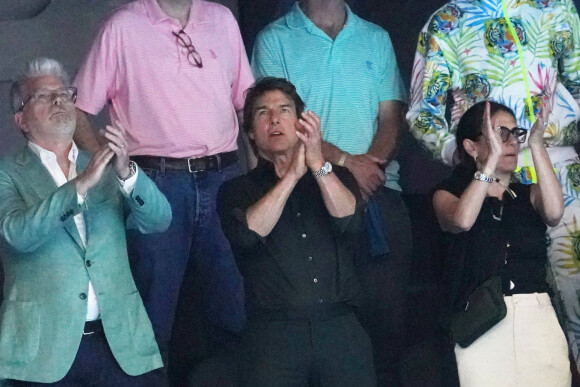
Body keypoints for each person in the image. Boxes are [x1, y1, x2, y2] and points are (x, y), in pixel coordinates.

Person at [72, 0, 254, 374]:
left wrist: (257, 176)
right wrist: (109, 168)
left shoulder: (220, 18)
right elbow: (78, 110)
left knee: (236, 309)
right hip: (156, 182)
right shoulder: (123, 26)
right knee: (151, 319)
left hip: (225, 177)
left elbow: (246, 107)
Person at [407, 0, 580, 369]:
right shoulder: (447, 20)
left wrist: (542, 139)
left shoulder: (557, 8)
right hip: (488, 182)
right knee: (497, 298)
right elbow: (425, 115)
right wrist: (477, 157)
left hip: (559, 168)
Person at [251, 0, 412, 380]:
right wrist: (346, 163)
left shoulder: (375, 37)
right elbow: (280, 125)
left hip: (379, 194)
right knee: (332, 325)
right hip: (311, 199)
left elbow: (392, 115)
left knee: (390, 320)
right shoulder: (275, 39)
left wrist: (370, 165)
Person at [0, 58, 172, 385]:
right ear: (21, 120)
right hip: (44, 354)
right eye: (43, 95)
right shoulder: (7, 172)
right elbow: (16, 234)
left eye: (64, 93)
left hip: (119, 344)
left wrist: (128, 174)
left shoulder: (105, 166)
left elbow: (160, 220)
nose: (58, 101)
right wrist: (78, 186)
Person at [217, 77, 376, 386]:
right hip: (274, 336)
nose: (274, 118)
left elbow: (349, 220)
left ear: (302, 124)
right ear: (251, 131)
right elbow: (248, 234)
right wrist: (291, 176)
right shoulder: (235, 190)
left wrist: (318, 165)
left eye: (284, 110)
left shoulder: (337, 176)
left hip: (341, 328)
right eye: (262, 112)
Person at [433, 100, 569, 386]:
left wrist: (536, 144)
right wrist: (489, 163)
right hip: (483, 321)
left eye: (514, 133)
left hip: (538, 317)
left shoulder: (527, 194)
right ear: (472, 146)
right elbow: (462, 221)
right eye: (499, 134)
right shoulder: (449, 193)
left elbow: (555, 212)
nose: (509, 142)